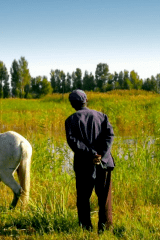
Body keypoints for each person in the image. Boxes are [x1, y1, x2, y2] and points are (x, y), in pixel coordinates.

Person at [65, 89, 115, 233]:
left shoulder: (70, 120)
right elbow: (109, 136)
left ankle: (85, 228)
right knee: (104, 197)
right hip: (104, 163)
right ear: (86, 100)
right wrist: (101, 154)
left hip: (83, 165)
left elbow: (73, 142)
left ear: (72, 104)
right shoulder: (102, 116)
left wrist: (92, 154)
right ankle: (105, 230)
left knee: (83, 198)